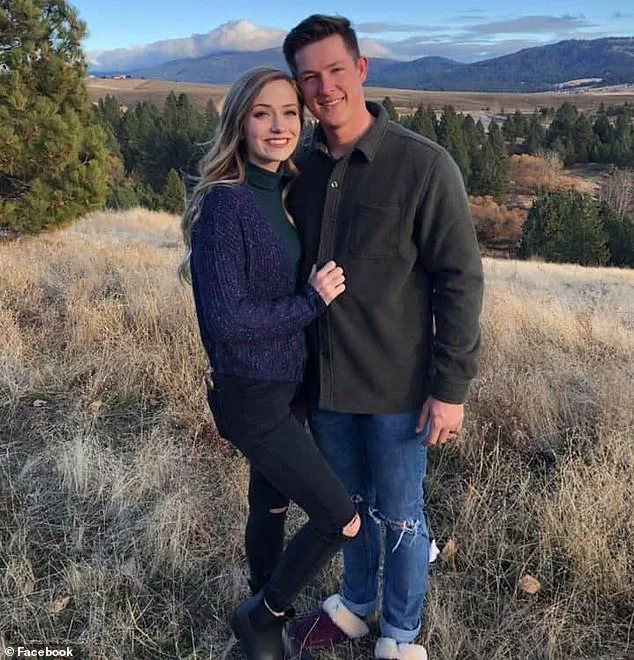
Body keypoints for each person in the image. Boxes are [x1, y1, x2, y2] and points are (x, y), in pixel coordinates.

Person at [282, 16, 485, 660]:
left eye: (335, 70)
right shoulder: (298, 167)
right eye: (309, 77)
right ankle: (355, 604)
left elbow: (460, 280)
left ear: (362, 69)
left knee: (399, 516)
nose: (325, 87)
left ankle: (399, 635)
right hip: (326, 385)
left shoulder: (423, 165)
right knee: (347, 511)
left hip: (399, 389)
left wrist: (449, 389)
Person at [179, 67, 361, 660]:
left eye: (289, 112)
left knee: (271, 505)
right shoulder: (225, 205)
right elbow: (227, 321)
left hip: (284, 386)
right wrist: (312, 301)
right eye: (262, 113)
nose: (279, 125)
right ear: (239, 123)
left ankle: (266, 629)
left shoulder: (279, 191)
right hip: (252, 394)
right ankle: (263, 616)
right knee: (339, 518)